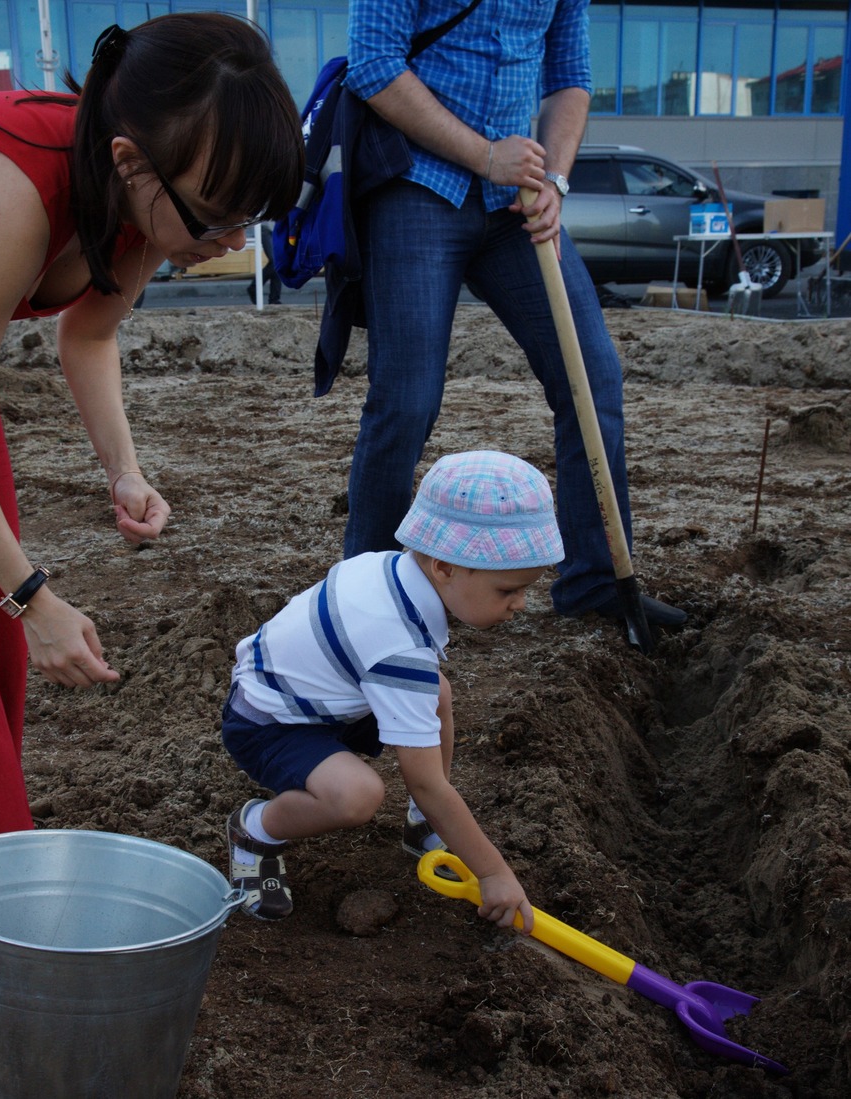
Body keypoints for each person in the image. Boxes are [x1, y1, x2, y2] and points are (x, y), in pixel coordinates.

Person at [0, 12, 304, 938]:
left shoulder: (148, 188)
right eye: (215, 215)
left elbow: (91, 330)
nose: (228, 241)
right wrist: (36, 594)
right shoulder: (17, 199)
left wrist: (124, 470)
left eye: (251, 217)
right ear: (129, 161)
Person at [341, 0, 687, 628]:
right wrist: (483, 155)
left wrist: (553, 178)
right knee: (406, 398)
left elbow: (568, 78)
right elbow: (373, 65)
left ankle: (596, 585)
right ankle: (366, 599)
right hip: (418, 185)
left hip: (517, 201)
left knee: (593, 380)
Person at [222, 449, 561, 927]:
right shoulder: (396, 648)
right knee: (356, 796)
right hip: (270, 722)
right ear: (444, 566)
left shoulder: (392, 568)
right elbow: (424, 779)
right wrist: (494, 872)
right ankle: (256, 830)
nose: (521, 605)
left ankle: (423, 824)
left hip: (323, 696)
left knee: (434, 692)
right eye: (507, 590)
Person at [247, 223, 283, 305]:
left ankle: (274, 299)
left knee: (278, 263)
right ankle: (254, 287)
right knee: (275, 261)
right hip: (265, 228)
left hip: (277, 229)